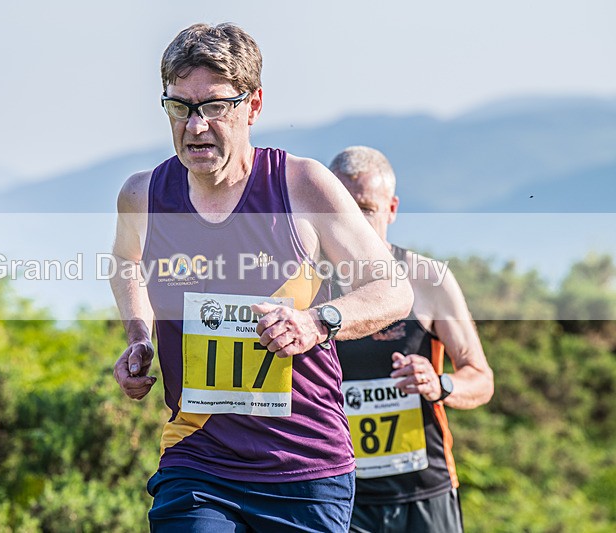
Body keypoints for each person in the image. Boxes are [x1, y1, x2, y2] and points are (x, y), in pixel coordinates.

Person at [110, 24, 413, 532]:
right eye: (180, 106)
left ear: (252, 106)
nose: (195, 125)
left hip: (303, 465)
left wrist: (318, 322)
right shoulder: (143, 196)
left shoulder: (302, 186)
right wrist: (138, 336)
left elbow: (393, 289)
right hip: (197, 458)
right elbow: (125, 264)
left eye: (214, 106)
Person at [329, 146, 495, 533]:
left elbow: (481, 376)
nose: (357, 223)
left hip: (424, 490)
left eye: (367, 209)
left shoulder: (427, 280)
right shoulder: (308, 287)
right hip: (338, 491)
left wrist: (440, 385)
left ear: (392, 209)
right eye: (345, 209)